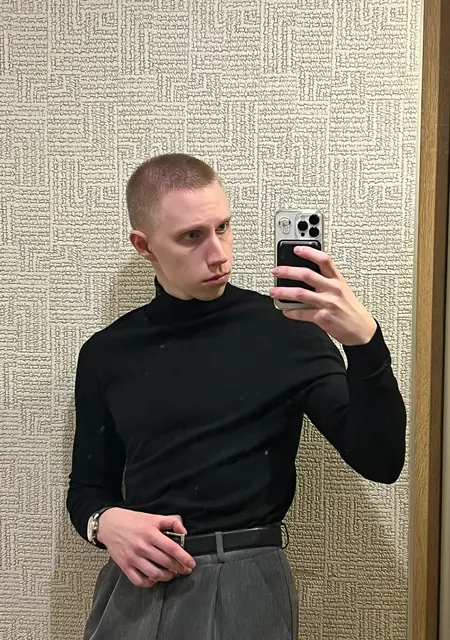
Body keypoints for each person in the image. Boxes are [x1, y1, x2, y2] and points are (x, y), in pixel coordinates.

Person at [66, 153, 406, 640]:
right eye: (192, 236)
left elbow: (382, 460)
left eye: (223, 228)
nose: (219, 253)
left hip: (247, 580)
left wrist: (365, 343)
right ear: (144, 246)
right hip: (136, 587)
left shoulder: (288, 330)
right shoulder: (106, 353)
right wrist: (105, 523)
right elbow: (87, 490)